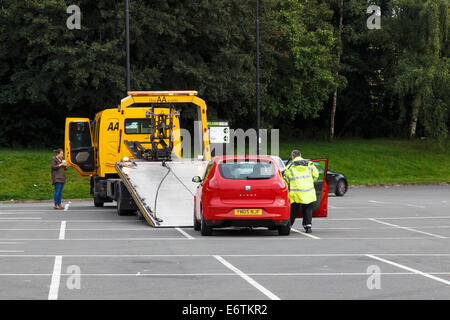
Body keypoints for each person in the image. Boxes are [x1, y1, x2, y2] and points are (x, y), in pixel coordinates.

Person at [283, 150, 319, 233]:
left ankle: (288, 225)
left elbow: (285, 179)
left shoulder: (290, 166)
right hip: (308, 191)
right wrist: (309, 181)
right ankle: (308, 227)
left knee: (293, 209)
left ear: (292, 157)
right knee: (307, 209)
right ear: (300, 155)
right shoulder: (309, 164)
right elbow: (316, 175)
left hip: (296, 192)